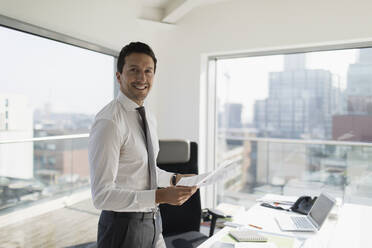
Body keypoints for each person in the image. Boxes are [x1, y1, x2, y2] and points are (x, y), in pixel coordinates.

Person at [88, 41, 198, 248]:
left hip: (153, 222)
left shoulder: (148, 116)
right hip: (121, 229)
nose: (142, 77)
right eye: (134, 70)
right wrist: (160, 196)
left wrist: (175, 179)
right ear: (119, 76)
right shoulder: (109, 122)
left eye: (148, 71)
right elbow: (101, 196)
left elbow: (143, 170)